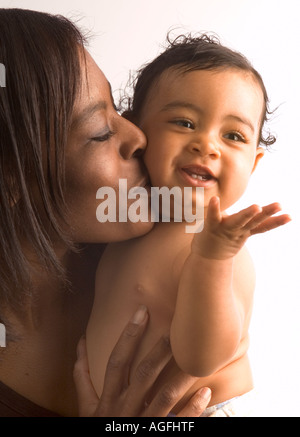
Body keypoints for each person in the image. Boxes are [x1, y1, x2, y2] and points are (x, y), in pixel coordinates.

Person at [0, 9, 212, 417]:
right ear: (12, 180)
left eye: (119, 107)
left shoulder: (157, 265)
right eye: (100, 131)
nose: (138, 136)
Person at [86, 34, 291, 417]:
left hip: (205, 411)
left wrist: (213, 258)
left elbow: (200, 359)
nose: (207, 144)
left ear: (254, 163)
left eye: (233, 135)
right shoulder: (123, 222)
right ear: (136, 130)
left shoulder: (221, 247)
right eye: (184, 122)